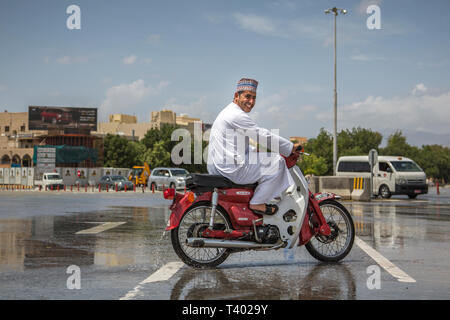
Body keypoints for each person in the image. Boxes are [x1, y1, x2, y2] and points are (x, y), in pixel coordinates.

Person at [207, 78, 302, 215]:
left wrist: (255, 150)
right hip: (229, 168)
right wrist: (290, 147)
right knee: (277, 162)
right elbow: (261, 134)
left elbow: (235, 145)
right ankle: (257, 202)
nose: (251, 102)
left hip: (219, 166)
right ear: (236, 96)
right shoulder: (236, 115)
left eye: (254, 98)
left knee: (266, 160)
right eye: (247, 96)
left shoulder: (228, 112)